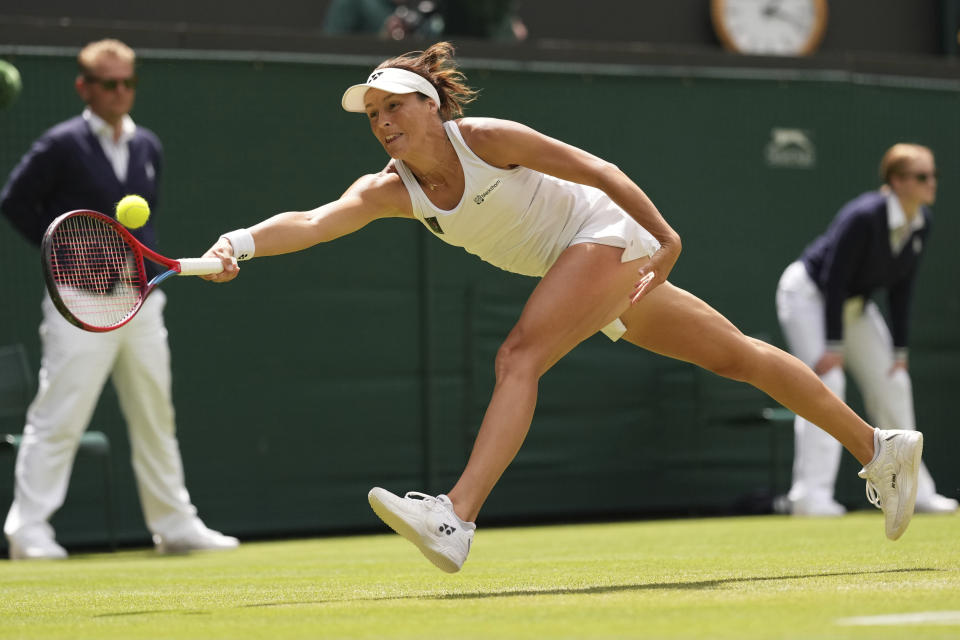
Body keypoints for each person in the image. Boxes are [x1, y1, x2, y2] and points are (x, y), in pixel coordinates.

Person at [202, 42, 925, 573]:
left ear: (430, 105)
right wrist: (240, 243)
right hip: (582, 264)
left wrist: (666, 235)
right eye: (373, 113)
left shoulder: (486, 139)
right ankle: (879, 448)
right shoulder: (390, 189)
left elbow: (597, 171)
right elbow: (313, 219)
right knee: (736, 355)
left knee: (519, 355)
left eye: (394, 106)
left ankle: (455, 516)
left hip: (605, 234)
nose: (383, 121)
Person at [0, 39, 238, 559]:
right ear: (84, 87)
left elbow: (143, 222)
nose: (120, 92)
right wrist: (65, 252)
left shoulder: (148, 145)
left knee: (156, 415)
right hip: (78, 304)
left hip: (142, 299)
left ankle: (175, 525)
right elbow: (14, 203)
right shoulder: (60, 144)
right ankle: (29, 531)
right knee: (59, 415)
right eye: (109, 83)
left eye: (128, 82)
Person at [776, 144, 957, 517]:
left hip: (855, 308)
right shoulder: (864, 216)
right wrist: (833, 345)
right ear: (897, 181)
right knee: (828, 384)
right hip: (810, 296)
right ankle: (810, 497)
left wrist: (900, 353)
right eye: (923, 177)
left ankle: (915, 491)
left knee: (894, 383)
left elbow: (901, 289)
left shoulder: (922, 223)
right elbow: (834, 277)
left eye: (933, 176)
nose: (932, 184)